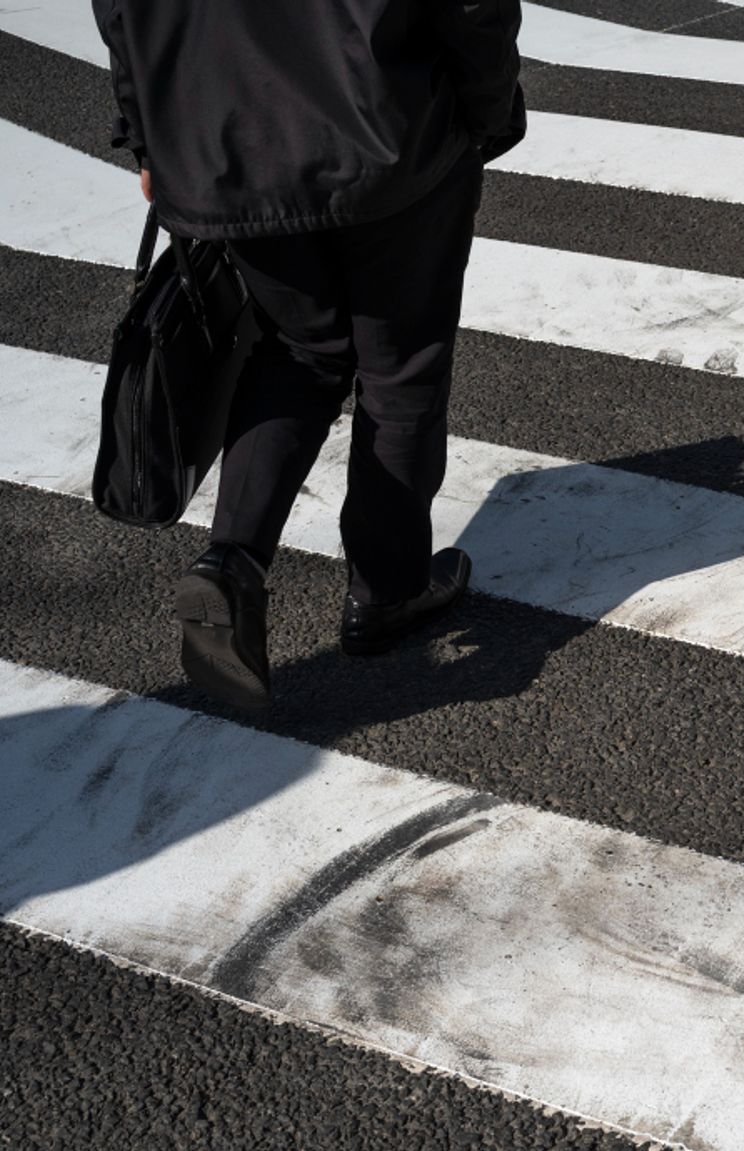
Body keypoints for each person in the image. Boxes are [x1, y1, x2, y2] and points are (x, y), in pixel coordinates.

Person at [91, 1, 526, 711]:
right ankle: (386, 591)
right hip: (387, 125)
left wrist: (147, 137)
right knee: (400, 365)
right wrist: (488, 107)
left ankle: (232, 562)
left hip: (225, 140)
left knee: (299, 350)